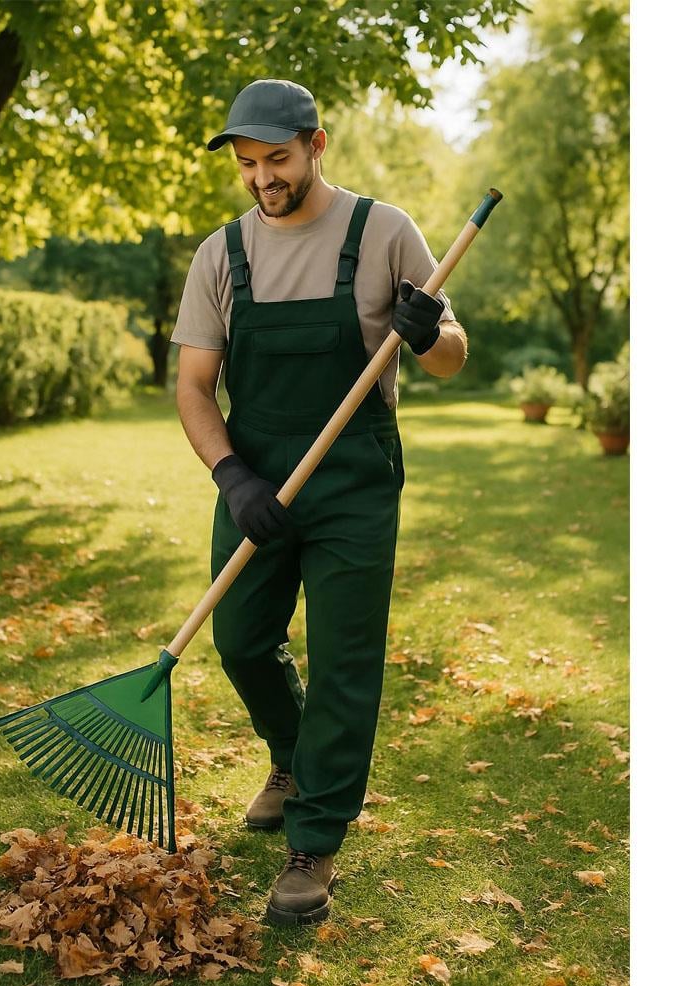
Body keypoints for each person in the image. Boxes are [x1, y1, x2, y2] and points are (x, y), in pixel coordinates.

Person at [170, 79, 468, 926]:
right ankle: (292, 757)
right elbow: (194, 387)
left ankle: (315, 839)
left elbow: (453, 354)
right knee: (239, 639)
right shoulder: (219, 255)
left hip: (353, 482)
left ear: (317, 143)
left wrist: (428, 332)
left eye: (278, 159)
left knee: (343, 661)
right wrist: (232, 475)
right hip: (257, 476)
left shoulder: (384, 231)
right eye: (248, 164)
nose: (263, 178)